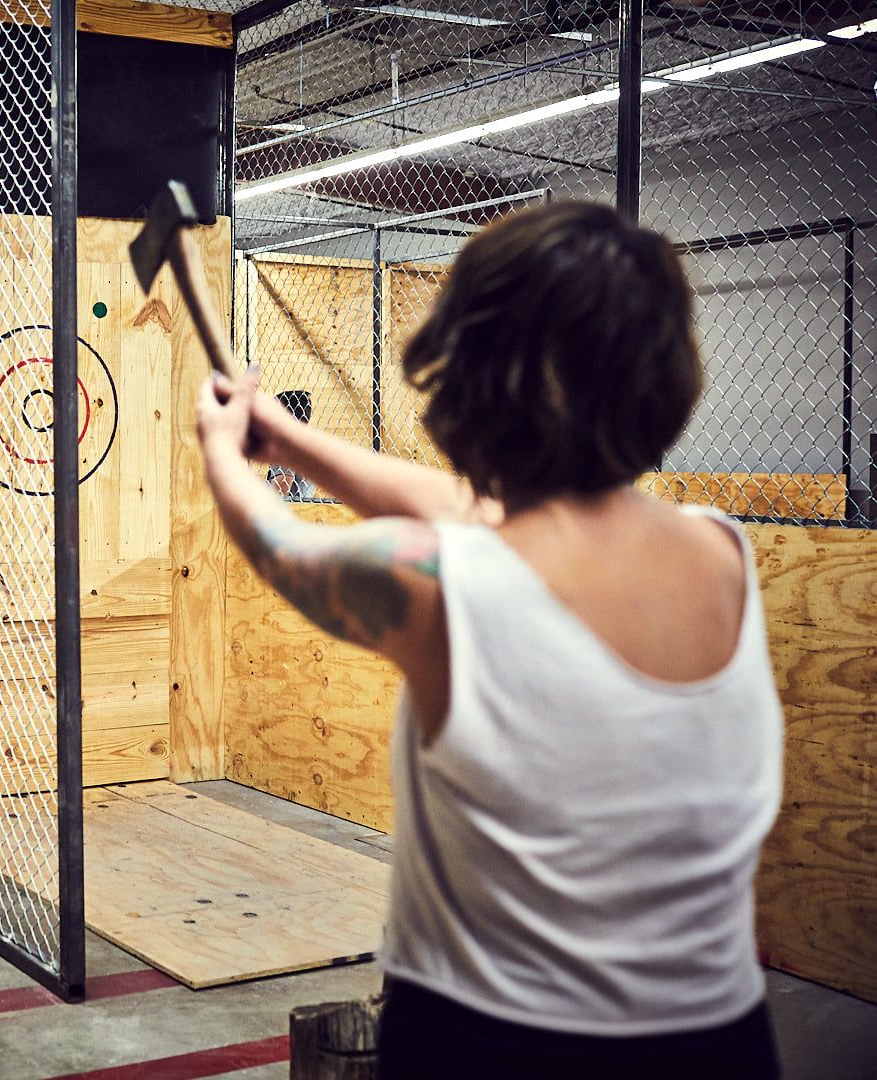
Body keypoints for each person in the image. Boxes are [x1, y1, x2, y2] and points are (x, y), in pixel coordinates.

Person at [195, 201, 783, 1079]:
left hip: (493, 1047)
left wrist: (221, 449)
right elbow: (488, 515)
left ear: (474, 371)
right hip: (720, 1044)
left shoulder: (439, 582)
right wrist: (289, 439)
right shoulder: (718, 550)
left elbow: (280, 546)